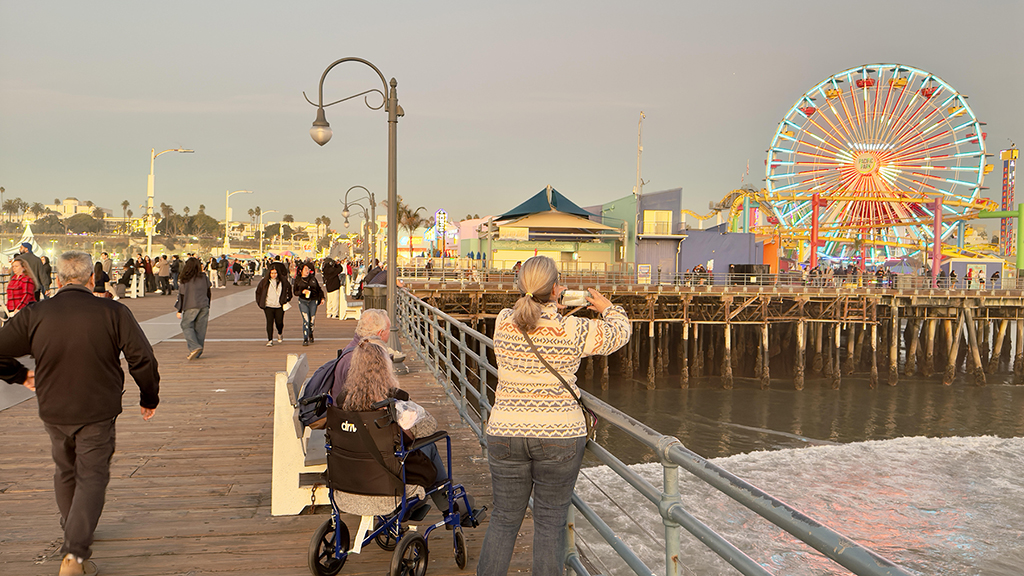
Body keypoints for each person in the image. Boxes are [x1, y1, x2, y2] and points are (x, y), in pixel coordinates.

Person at [0, 250, 159, 576]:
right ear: (91, 278)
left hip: (54, 407)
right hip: (98, 408)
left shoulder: (36, 313)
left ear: (58, 280)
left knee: (65, 470)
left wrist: (19, 375)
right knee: (92, 475)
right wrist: (149, 396)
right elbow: (142, 358)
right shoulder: (114, 311)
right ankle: (74, 554)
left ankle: (74, 526)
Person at [476, 255, 630, 576]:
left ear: (520, 287)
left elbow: (527, 318)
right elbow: (619, 333)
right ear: (557, 288)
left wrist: (548, 307)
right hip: (559, 435)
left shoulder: (503, 321)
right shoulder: (572, 328)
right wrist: (607, 307)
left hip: (505, 431)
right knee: (549, 522)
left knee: (504, 519)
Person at [339, 338, 450, 513]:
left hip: (350, 486)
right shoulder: (394, 404)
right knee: (429, 445)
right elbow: (430, 426)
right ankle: (448, 505)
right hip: (390, 489)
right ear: (386, 369)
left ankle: (446, 503)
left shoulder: (343, 405)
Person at [330, 308, 390, 401]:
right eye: (389, 330)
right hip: (350, 408)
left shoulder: (351, 348)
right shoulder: (365, 356)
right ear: (380, 333)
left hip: (341, 404)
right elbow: (366, 397)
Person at [175, 257, 212, 360]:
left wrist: (179, 310)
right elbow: (208, 292)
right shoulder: (203, 277)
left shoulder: (185, 279)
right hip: (204, 305)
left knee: (186, 325)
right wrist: (208, 304)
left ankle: (194, 347)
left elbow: (182, 296)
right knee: (200, 329)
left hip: (190, 305)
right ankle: (198, 352)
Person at [255, 262, 292, 346]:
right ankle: (270, 340)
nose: (273, 275)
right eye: (272, 273)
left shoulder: (283, 281)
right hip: (268, 305)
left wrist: (287, 299)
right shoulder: (264, 282)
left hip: (279, 305)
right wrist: (260, 302)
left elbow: (289, 290)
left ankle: (279, 333)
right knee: (269, 322)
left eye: (275, 273)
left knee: (279, 322)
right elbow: (258, 292)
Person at [293, 262, 324, 346]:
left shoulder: (313, 279)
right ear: (301, 270)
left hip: (313, 301)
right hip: (303, 301)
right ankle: (305, 338)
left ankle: (311, 333)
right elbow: (295, 292)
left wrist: (322, 297)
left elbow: (318, 289)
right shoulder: (298, 280)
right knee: (306, 320)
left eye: (308, 269)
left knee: (312, 320)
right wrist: (302, 291)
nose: (307, 271)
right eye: (305, 269)